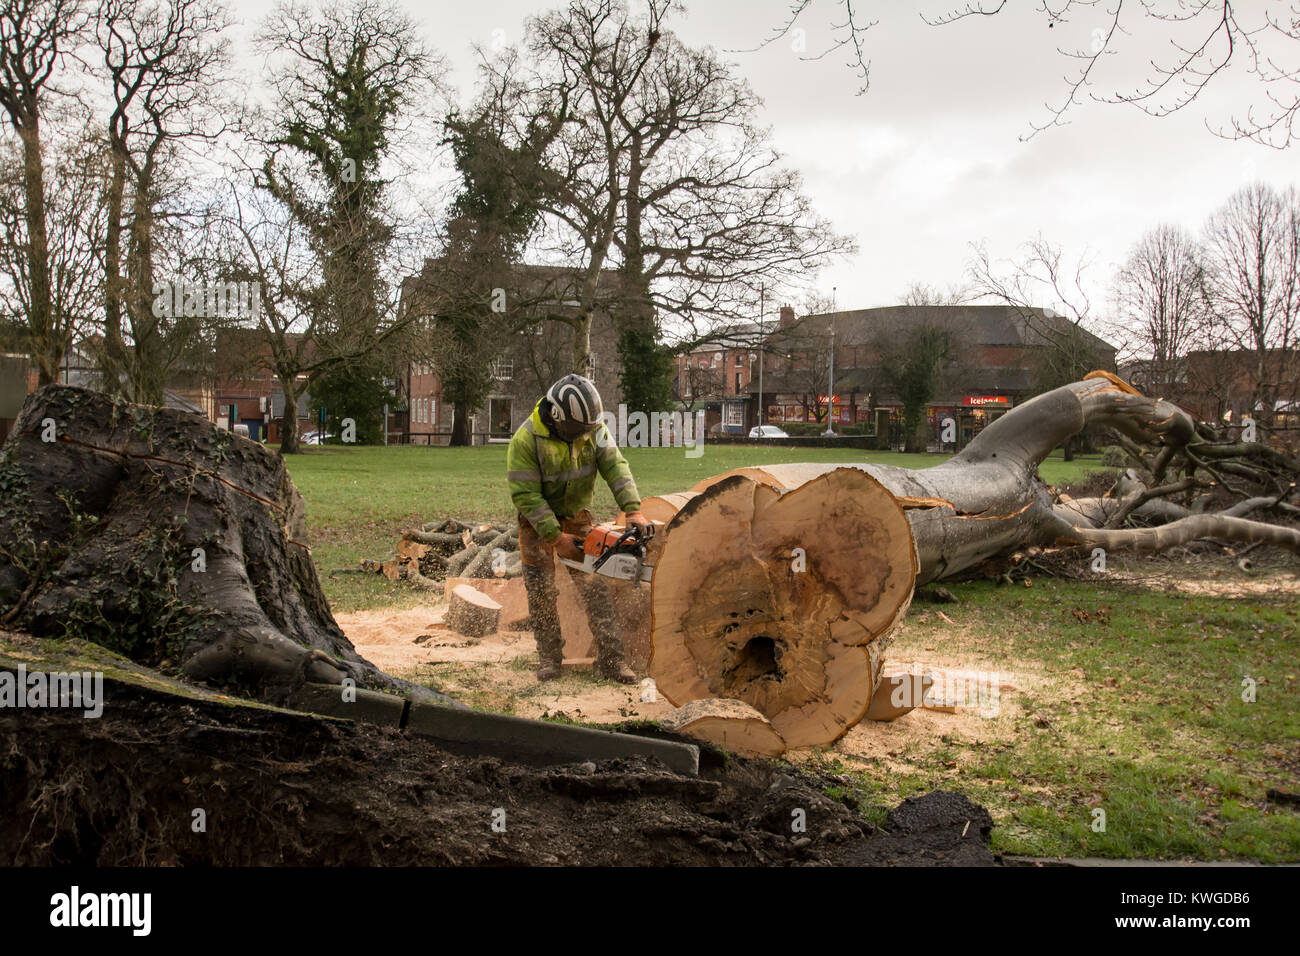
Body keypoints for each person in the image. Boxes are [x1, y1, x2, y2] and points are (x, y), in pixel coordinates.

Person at [506, 374, 648, 683]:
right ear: (557, 416)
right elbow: (526, 495)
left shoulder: (593, 429)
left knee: (595, 586)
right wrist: (555, 538)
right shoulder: (526, 440)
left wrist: (633, 509)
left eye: (588, 429)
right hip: (536, 522)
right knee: (541, 590)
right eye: (577, 430)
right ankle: (549, 657)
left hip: (578, 516)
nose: (583, 435)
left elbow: (615, 466)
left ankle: (612, 660)